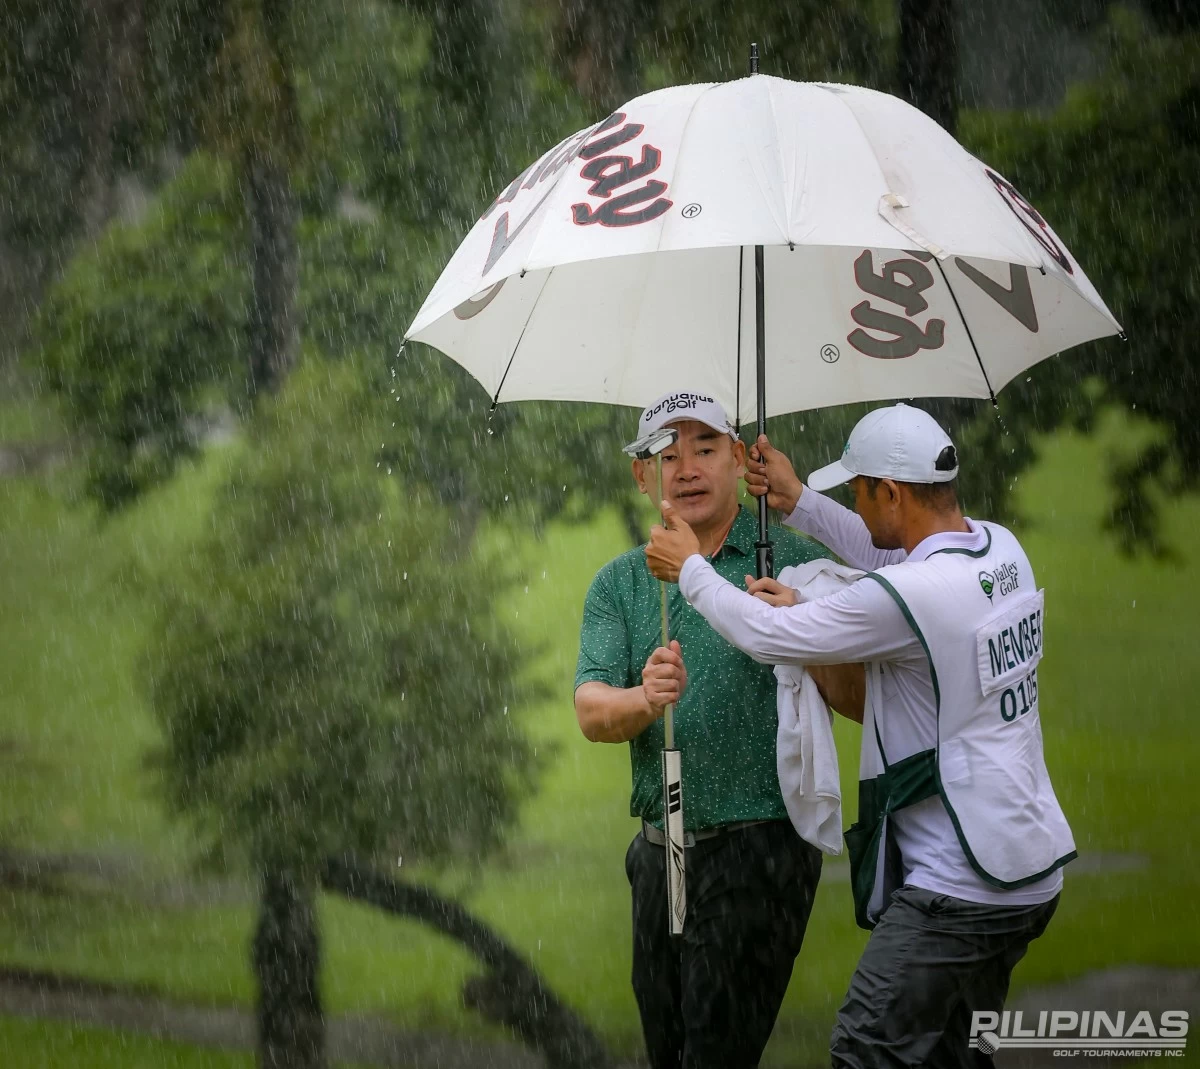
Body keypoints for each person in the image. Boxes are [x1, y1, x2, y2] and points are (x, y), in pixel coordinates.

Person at [645, 402, 1076, 1069]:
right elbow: (892, 555)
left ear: (892, 493)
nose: (855, 499)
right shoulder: (998, 549)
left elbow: (768, 634)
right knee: (952, 1054)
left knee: (865, 1046)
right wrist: (801, 504)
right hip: (1028, 865)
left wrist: (692, 570)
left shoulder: (914, 593)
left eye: (859, 490)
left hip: (960, 883)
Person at [574, 390, 832, 1069]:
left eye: (705, 448)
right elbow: (592, 708)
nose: (685, 467)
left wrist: (799, 619)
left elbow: (858, 686)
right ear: (642, 474)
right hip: (663, 851)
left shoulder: (789, 559)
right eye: (667, 453)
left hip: (761, 848)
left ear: (742, 458)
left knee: (716, 1051)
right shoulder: (622, 583)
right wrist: (644, 698)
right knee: (670, 1049)